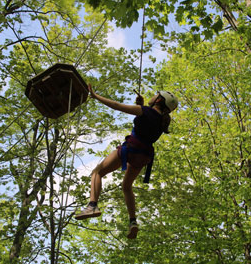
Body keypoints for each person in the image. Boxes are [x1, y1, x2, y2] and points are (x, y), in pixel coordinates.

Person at [74, 84, 178, 239]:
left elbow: (117, 106)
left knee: (97, 173)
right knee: (127, 187)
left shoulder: (145, 111)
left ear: (158, 100)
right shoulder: (161, 121)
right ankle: (133, 221)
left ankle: (92, 206)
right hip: (143, 156)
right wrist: (140, 105)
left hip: (130, 149)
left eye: (156, 95)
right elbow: (146, 124)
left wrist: (96, 96)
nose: (153, 96)